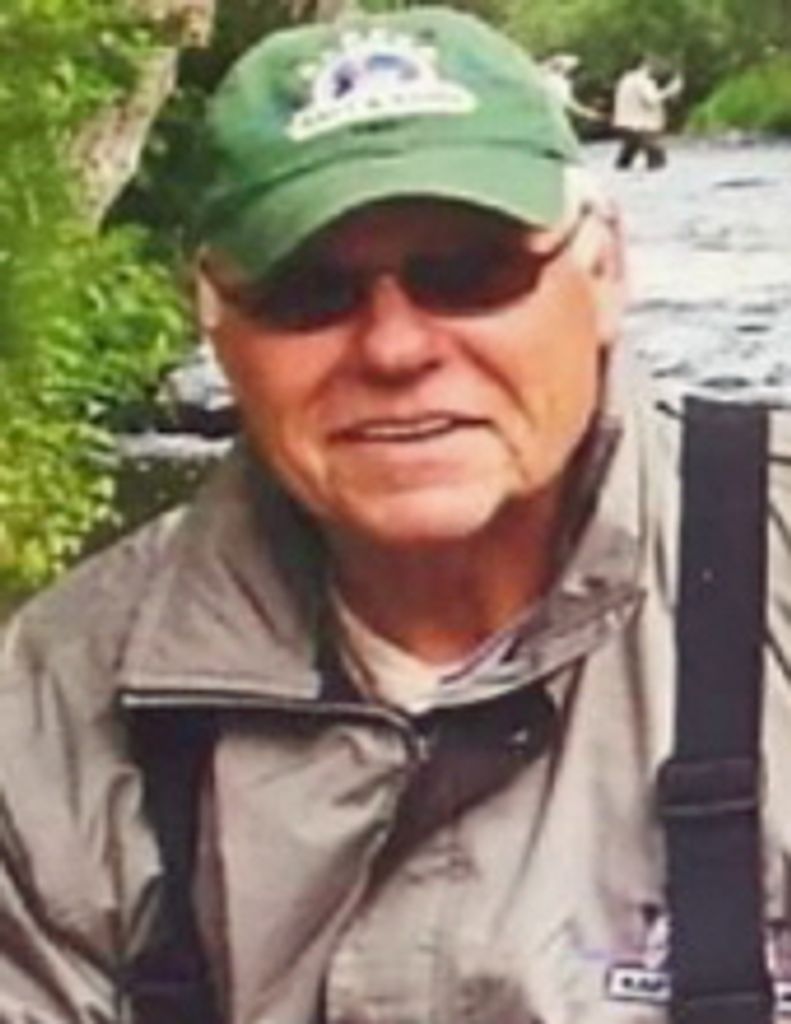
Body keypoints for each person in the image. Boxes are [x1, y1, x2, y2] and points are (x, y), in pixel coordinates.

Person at [1, 7, 791, 1024]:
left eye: (468, 274)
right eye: (307, 292)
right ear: (215, 318)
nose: (394, 348)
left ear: (602, 273)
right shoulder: (53, 706)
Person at [612, 54, 684, 169]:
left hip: (624, 124)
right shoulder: (643, 81)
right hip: (642, 127)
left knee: (624, 160)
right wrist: (670, 90)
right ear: (646, 66)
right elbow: (651, 100)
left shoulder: (626, 79)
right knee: (658, 161)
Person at [540, 52, 604, 124]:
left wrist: (594, 115)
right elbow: (575, 107)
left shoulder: (560, 84)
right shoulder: (560, 84)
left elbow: (574, 106)